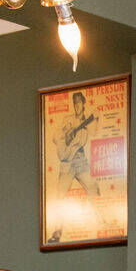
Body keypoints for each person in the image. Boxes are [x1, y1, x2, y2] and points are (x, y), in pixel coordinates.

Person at [46, 90, 105, 244]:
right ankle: (57, 232)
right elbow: (55, 137)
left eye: (79, 102)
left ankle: (100, 224)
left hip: (80, 160)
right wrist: (65, 136)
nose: (77, 105)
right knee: (60, 197)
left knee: (93, 186)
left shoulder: (87, 122)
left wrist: (96, 119)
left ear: (84, 103)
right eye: (75, 102)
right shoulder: (68, 119)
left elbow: (96, 133)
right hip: (67, 161)